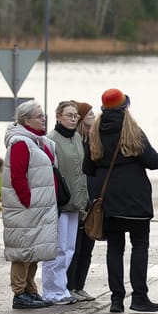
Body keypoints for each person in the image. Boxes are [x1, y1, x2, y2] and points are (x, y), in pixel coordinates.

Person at [84, 88, 158, 314]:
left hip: (109, 202)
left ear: (103, 109)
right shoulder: (133, 132)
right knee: (139, 246)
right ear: (126, 108)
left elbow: (88, 168)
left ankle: (116, 300)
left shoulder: (95, 133)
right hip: (136, 201)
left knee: (114, 248)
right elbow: (153, 162)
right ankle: (139, 298)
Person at [2, 100, 61, 309]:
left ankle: (30, 289)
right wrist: (28, 201)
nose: (43, 118)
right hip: (27, 208)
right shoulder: (21, 143)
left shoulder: (41, 141)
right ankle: (19, 293)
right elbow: (17, 176)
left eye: (43, 115)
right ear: (26, 120)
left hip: (42, 207)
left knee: (35, 250)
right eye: (39, 116)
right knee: (23, 251)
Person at [43, 101, 88, 305]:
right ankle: (52, 290)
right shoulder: (51, 140)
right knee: (57, 249)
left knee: (69, 248)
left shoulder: (77, 137)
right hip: (59, 203)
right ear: (58, 116)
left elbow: (81, 172)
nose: (73, 119)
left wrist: (83, 201)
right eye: (69, 115)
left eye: (75, 115)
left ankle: (62, 288)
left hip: (75, 203)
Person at [66, 102, 98, 301]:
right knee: (74, 248)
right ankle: (69, 286)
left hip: (93, 201)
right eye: (90, 114)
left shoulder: (94, 140)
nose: (94, 117)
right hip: (78, 200)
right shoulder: (76, 142)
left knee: (88, 247)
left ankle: (80, 286)